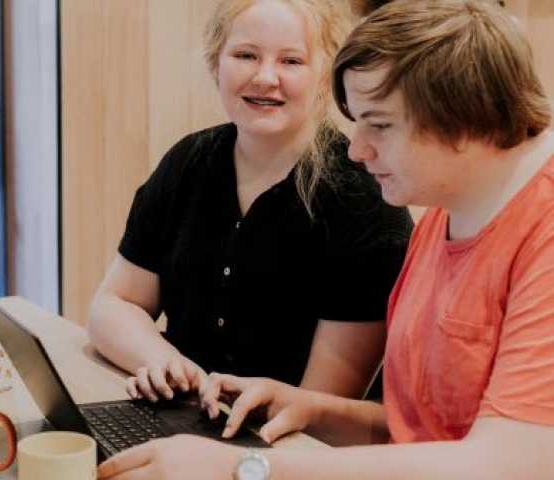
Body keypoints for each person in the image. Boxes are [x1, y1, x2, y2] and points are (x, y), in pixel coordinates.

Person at [97, 0, 554, 478]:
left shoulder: (538, 232)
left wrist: (244, 467)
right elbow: (418, 432)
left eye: (378, 124)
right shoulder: (444, 214)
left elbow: (513, 462)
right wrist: (311, 409)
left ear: (464, 115)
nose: (357, 147)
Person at [88, 0, 412, 404]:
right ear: (216, 63)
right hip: (181, 413)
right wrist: (165, 363)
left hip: (282, 447)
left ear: (327, 75)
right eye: (245, 55)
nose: (265, 77)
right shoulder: (188, 161)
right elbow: (114, 303)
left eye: (291, 61)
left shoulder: (363, 198)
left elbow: (321, 409)